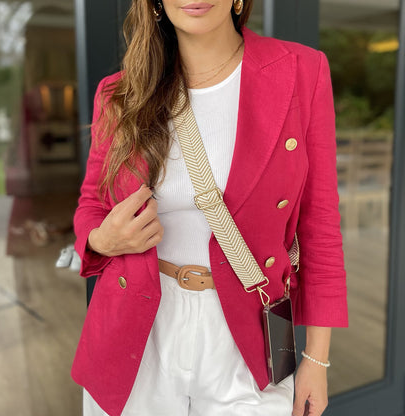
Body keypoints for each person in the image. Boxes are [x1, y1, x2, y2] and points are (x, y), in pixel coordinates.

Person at [71, 1, 348, 415]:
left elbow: (319, 225)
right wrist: (101, 240)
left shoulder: (301, 71)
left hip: (250, 331)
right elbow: (91, 203)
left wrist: (317, 359)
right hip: (136, 329)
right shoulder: (120, 93)